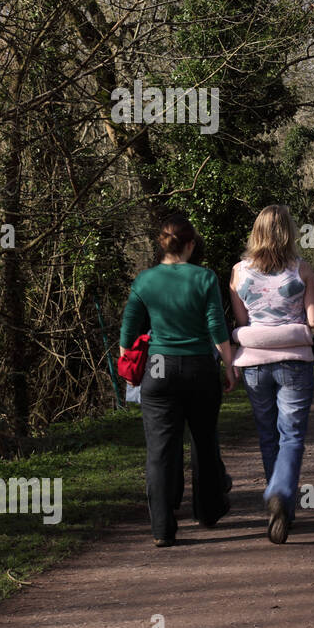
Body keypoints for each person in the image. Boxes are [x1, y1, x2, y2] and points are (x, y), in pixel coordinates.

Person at [119, 214, 235, 547]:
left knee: (160, 450)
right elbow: (216, 327)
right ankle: (208, 510)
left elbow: (128, 336)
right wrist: (230, 366)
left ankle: (162, 528)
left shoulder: (144, 281)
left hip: (157, 367)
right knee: (203, 440)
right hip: (199, 366)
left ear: (161, 244)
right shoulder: (205, 278)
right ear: (190, 244)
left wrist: (131, 362)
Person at [229, 205, 314, 544]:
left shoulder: (238, 273)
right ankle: (281, 492)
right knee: (292, 435)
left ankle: (278, 502)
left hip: (254, 361)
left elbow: (242, 322)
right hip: (294, 359)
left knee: (268, 435)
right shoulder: (302, 269)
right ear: (289, 234)